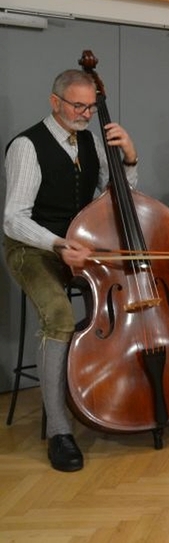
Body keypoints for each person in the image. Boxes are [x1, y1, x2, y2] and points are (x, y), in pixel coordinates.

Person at [3, 69, 139, 472]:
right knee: (60, 317)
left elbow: (119, 199)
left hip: (79, 246)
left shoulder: (92, 143)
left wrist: (130, 158)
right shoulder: (27, 146)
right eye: (78, 105)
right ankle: (60, 432)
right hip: (34, 250)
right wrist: (59, 245)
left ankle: (111, 394)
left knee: (126, 301)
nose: (86, 114)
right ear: (55, 102)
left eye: (91, 107)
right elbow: (13, 218)